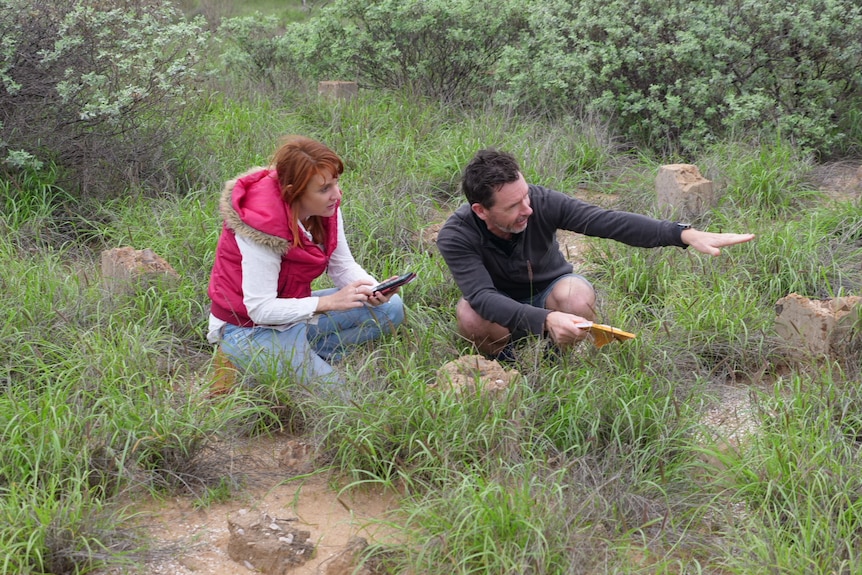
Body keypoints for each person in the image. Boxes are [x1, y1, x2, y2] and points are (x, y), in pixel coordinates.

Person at [436, 148, 755, 358]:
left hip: (548, 290)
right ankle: (506, 365)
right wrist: (546, 319)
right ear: (480, 210)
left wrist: (682, 233)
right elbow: (482, 297)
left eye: (526, 196)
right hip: (500, 301)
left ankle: (554, 360)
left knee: (577, 295)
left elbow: (607, 222)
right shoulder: (456, 235)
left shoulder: (541, 202)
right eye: (513, 206)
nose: (528, 209)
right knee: (471, 316)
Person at [206, 135, 405, 398]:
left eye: (336, 183)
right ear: (293, 192)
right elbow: (260, 309)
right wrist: (327, 303)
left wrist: (372, 289)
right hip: (245, 327)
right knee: (343, 398)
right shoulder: (262, 227)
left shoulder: (324, 209)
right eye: (324, 189)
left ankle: (296, 361)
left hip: (291, 313)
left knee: (391, 310)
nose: (337, 194)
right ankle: (247, 357)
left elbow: (341, 265)